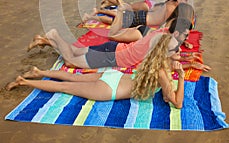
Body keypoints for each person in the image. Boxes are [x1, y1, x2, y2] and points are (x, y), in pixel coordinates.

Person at [7, 34, 185, 108]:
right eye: (177, 49)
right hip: (110, 89)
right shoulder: (162, 71)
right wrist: (182, 77)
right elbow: (177, 103)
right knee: (65, 87)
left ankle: (39, 72)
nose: (181, 52)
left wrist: (169, 87)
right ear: (168, 53)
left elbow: (166, 94)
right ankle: (24, 81)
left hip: (114, 76)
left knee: (71, 77)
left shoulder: (154, 62)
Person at [27, 18, 210, 72]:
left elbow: (172, 55)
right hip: (113, 56)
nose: (187, 36)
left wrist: (188, 57)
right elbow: (169, 61)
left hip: (113, 48)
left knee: (74, 50)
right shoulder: (168, 41)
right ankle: (54, 35)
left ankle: (45, 40)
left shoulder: (164, 33)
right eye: (186, 32)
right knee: (70, 61)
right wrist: (190, 63)